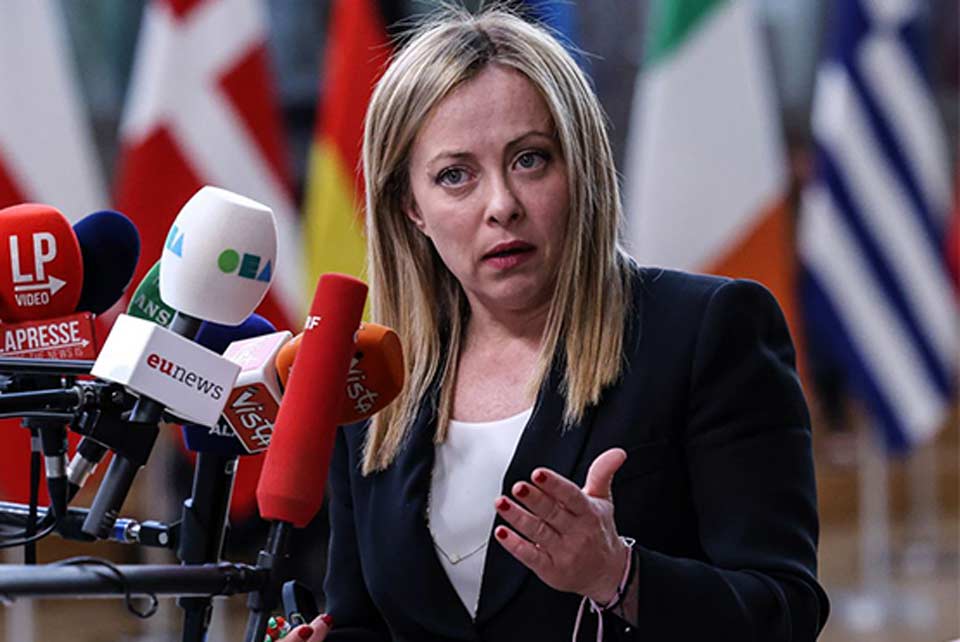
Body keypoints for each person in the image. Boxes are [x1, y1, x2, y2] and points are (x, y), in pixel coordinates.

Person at [292, 6, 829, 641]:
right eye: (455, 176)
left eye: (530, 160)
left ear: (581, 166)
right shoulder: (377, 382)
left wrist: (618, 575)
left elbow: (785, 613)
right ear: (412, 207)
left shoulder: (707, 332)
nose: (502, 205)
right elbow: (367, 622)